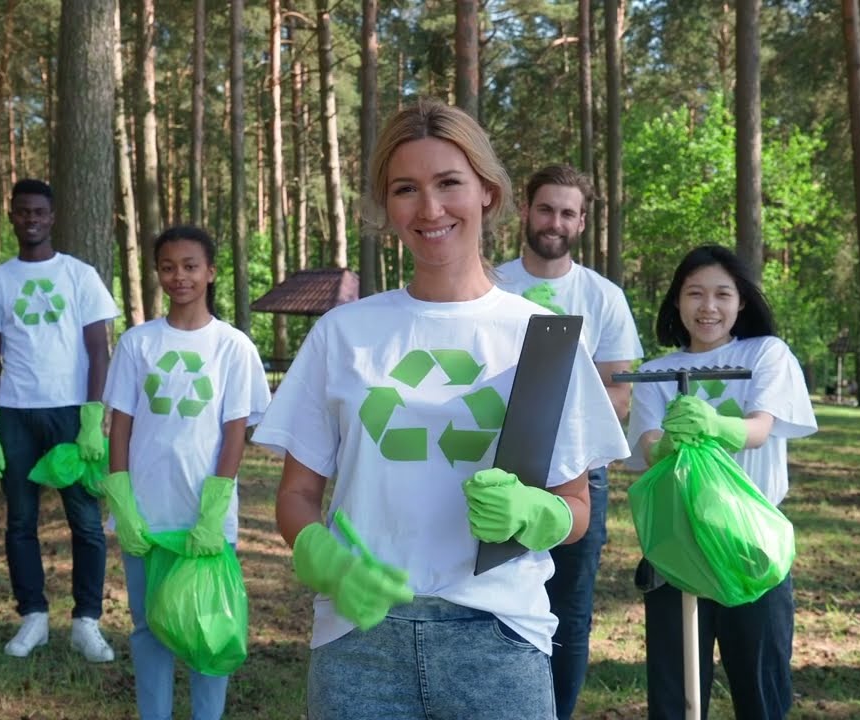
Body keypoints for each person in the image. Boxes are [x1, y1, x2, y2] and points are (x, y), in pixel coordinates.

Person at [252, 99, 630, 720]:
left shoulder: (543, 335)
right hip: (358, 642)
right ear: (386, 207)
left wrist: (539, 514)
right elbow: (297, 495)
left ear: (486, 191)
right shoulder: (343, 334)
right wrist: (324, 560)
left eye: (449, 183)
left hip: (500, 640)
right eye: (406, 189)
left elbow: (578, 506)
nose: (429, 209)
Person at [625, 244, 817, 720]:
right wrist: (670, 444)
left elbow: (760, 429)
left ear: (742, 302)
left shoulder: (765, 354)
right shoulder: (655, 374)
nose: (707, 307)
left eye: (721, 294)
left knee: (761, 687)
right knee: (675, 694)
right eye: (694, 294)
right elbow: (649, 448)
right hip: (676, 546)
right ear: (676, 301)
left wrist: (715, 426)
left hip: (749, 544)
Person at [102, 224, 270, 720]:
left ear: (211, 273)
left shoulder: (232, 346)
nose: (180, 277)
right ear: (158, 273)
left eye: (191, 267)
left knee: (207, 625)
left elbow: (236, 430)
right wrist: (122, 503)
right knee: (147, 626)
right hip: (147, 515)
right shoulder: (137, 343)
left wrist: (214, 509)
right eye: (169, 267)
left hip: (204, 516)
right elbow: (121, 428)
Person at [494, 164, 642, 719]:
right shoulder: (492, 284)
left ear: (581, 222)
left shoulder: (602, 297)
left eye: (567, 213)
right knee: (495, 601)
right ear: (526, 212)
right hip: (497, 474)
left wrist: (553, 443)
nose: (554, 222)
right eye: (545, 209)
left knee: (570, 612)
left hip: (580, 477)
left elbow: (617, 395)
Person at [0, 178, 119, 661]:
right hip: (15, 415)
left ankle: (86, 621)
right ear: (11, 216)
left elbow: (100, 350)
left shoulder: (80, 276)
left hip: (71, 414)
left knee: (87, 523)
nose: (30, 219)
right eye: (21, 212)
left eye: (38, 212)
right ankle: (32, 616)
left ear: (51, 218)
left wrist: (93, 416)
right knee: (20, 521)